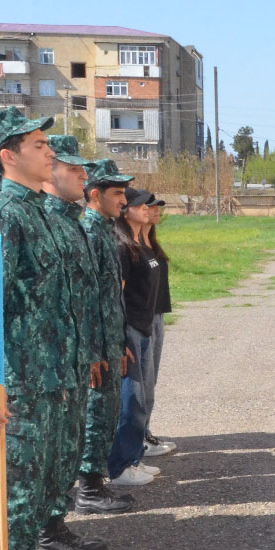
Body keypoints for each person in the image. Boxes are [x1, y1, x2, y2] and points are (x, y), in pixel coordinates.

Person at [0, 107, 86, 550]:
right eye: (39, 145)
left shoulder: (40, 211)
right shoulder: (3, 216)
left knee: (39, 481)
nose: (50, 151)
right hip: (18, 379)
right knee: (14, 485)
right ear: (8, 156)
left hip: (51, 373)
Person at [40, 133, 110, 550]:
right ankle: (41, 542)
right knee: (42, 460)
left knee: (65, 452)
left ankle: (54, 527)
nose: (84, 175)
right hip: (42, 364)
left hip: (70, 358)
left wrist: (90, 351)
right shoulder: (39, 220)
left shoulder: (68, 220)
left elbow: (85, 298)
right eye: (74, 168)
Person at [75, 160, 138, 512]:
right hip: (95, 347)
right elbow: (86, 300)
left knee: (107, 414)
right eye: (116, 193)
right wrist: (95, 350)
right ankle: (88, 488)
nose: (124, 200)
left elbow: (110, 296)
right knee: (96, 414)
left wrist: (120, 342)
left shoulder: (104, 230)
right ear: (94, 195)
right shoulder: (88, 231)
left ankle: (95, 484)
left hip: (109, 340)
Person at [106, 188, 163, 486]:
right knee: (132, 399)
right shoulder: (121, 246)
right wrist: (120, 336)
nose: (147, 208)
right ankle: (120, 466)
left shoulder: (142, 245)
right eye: (140, 204)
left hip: (144, 327)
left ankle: (133, 457)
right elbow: (117, 294)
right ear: (126, 211)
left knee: (144, 397)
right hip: (130, 328)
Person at [142, 193, 177, 458]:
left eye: (156, 208)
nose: (155, 212)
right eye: (149, 207)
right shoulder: (129, 244)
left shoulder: (149, 242)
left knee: (150, 381)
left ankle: (144, 432)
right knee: (140, 384)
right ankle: (138, 437)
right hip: (142, 318)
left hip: (157, 314)